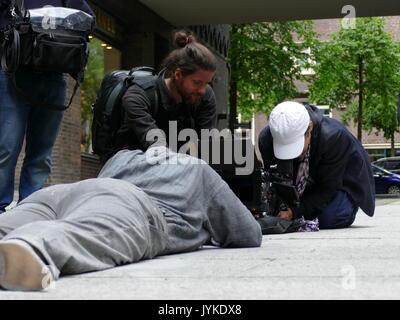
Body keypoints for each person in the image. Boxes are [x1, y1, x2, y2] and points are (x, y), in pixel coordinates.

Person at [0, 147, 262, 291]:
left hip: (64, 192)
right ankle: (31, 250)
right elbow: (247, 233)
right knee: (81, 231)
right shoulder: (198, 169)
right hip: (129, 202)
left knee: (12, 223)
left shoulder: (123, 156)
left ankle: (15, 244)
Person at [0, 0, 94, 214]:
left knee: (42, 153)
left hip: (54, 78)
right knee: (6, 147)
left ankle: (30, 210)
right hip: (14, 75)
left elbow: (89, 21)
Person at [258, 101, 375, 229]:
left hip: (341, 183)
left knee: (328, 218)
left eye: (297, 147)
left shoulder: (334, 137)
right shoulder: (266, 139)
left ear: (310, 127)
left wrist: (295, 212)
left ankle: (347, 206)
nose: (293, 156)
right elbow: (273, 180)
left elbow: (328, 187)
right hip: (304, 184)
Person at [114, 30, 218, 154]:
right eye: (197, 82)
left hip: (180, 165)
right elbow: (156, 144)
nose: (202, 90)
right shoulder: (139, 95)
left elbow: (206, 146)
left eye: (206, 83)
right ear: (178, 74)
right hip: (136, 165)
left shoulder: (206, 96)